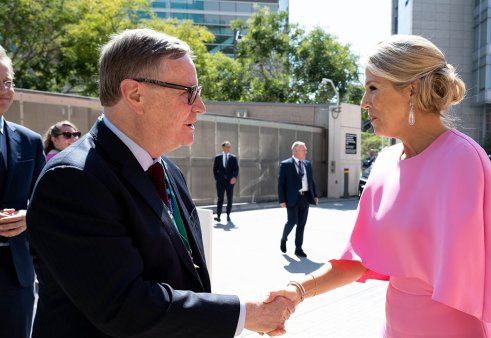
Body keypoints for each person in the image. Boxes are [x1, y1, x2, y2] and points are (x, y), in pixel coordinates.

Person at [26, 29, 293, 338]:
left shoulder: (167, 169)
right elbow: (124, 307)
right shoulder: (73, 180)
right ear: (135, 94)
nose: (200, 105)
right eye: (188, 92)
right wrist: (245, 314)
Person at [266, 35, 491, 338]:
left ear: (411, 89)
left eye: (372, 88)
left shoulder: (465, 160)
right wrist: (297, 290)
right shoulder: (384, 163)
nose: (364, 102)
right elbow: (358, 260)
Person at [0, 45, 46, 338]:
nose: (5, 90)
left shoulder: (29, 141)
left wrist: (30, 215)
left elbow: (46, 200)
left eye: (8, 82)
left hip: (17, 274)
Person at [278, 141, 318, 258]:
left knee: (301, 224)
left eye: (305, 149)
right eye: (303, 149)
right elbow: (281, 184)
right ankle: (284, 238)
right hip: (291, 198)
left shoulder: (307, 164)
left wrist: (314, 195)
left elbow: (311, 181)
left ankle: (298, 248)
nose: (306, 151)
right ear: (295, 151)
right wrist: (282, 200)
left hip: (305, 197)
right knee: (292, 222)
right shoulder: (285, 164)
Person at [213, 140, 238, 223]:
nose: (229, 148)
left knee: (229, 198)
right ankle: (218, 216)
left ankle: (228, 215)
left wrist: (234, 177)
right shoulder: (218, 158)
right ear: (223, 147)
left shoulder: (233, 158)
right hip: (220, 182)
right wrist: (217, 179)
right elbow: (215, 170)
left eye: (229, 147)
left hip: (230, 182)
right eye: (227, 146)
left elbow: (236, 169)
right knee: (220, 198)